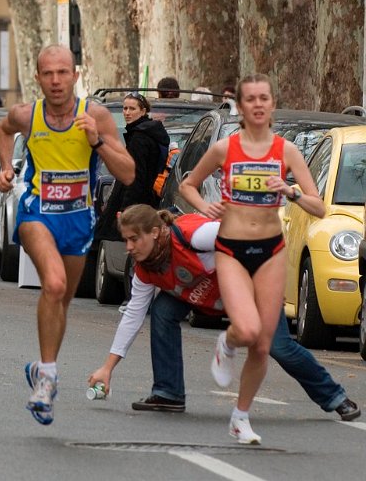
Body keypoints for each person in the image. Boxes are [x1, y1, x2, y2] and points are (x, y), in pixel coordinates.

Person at [87, 205, 359, 424]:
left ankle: (335, 397)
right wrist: (107, 368)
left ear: (156, 232)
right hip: (210, 296)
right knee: (162, 311)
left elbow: (247, 238)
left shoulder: (195, 235)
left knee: (278, 346)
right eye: (126, 240)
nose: (129, 247)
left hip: (255, 284)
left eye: (135, 239)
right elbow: (133, 316)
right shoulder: (146, 269)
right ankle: (168, 392)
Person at [179, 73, 327, 444]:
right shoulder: (224, 149)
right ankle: (227, 343)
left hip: (272, 251)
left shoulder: (286, 152)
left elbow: (319, 207)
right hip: (232, 249)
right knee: (246, 330)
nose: (258, 104)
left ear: (272, 104)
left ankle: (240, 417)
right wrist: (204, 206)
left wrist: (289, 191)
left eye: (265, 98)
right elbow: (187, 184)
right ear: (241, 107)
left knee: (263, 344)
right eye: (251, 99)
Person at [0, 45, 135, 425]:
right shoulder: (28, 115)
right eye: (47, 74)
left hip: (78, 220)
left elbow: (128, 174)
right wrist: (6, 169)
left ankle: (41, 368)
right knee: (53, 286)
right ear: (37, 77)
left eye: (62, 73)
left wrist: (97, 141)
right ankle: (48, 378)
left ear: (75, 74)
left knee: (63, 300)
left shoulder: (96, 116)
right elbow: (2, 130)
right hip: (37, 212)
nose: (55, 81)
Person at [96, 92, 169, 244]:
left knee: (106, 243)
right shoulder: (147, 132)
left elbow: (136, 177)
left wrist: (125, 210)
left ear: (143, 111)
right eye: (125, 108)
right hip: (144, 202)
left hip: (133, 204)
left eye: (132, 109)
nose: (127, 113)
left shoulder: (140, 137)